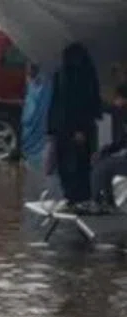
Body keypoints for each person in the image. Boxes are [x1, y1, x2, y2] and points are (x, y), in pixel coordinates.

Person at [48, 43, 102, 211]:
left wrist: (78, 129)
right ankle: (74, 197)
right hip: (69, 127)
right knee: (70, 163)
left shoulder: (76, 76)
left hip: (73, 128)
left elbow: (80, 104)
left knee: (76, 163)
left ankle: (79, 197)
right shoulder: (73, 74)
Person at [91, 84, 127, 211]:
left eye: (118, 99)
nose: (116, 103)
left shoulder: (122, 113)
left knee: (103, 167)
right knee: (102, 162)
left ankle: (97, 201)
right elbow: (122, 141)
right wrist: (106, 150)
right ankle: (107, 201)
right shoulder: (121, 113)